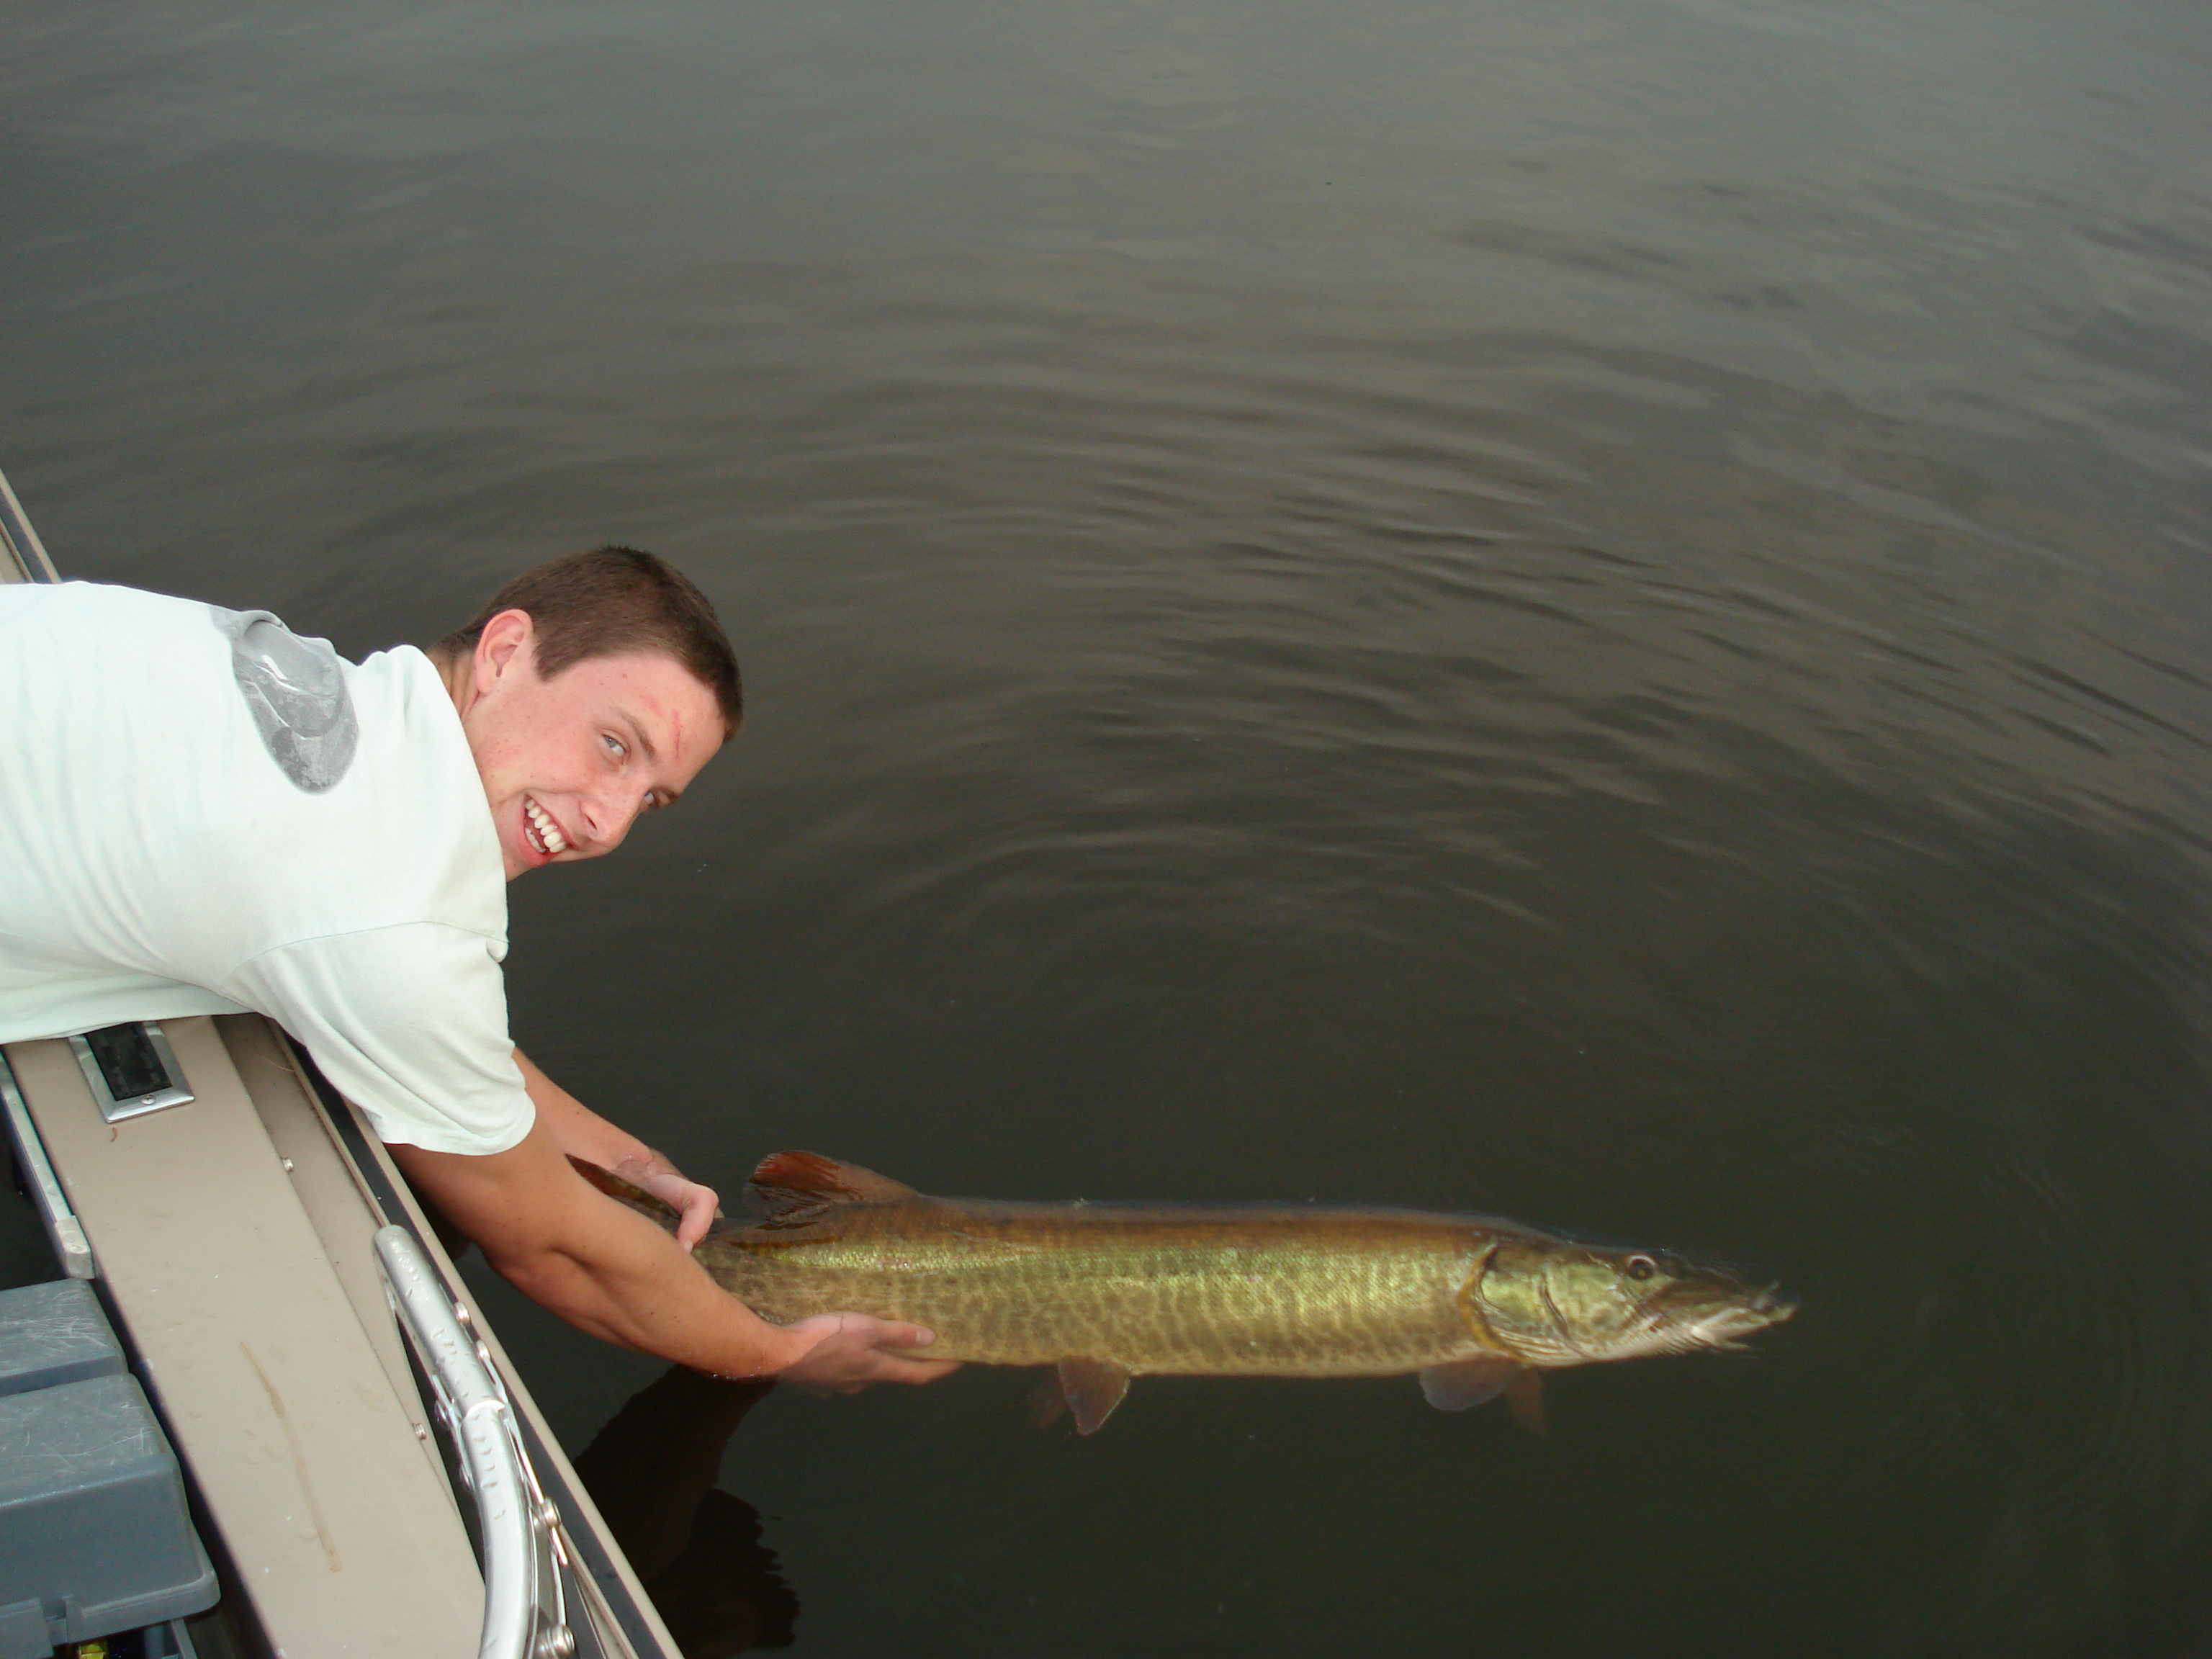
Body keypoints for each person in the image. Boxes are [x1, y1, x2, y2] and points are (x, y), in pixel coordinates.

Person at [0, 549, 954, 1392]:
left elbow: (439, 1024)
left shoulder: (330, 700)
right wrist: (783, 1354)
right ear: (504, 652)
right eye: (614, 745)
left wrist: (632, 1166)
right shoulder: (387, 903)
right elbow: (554, 1252)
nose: (608, 824)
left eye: (651, 799)